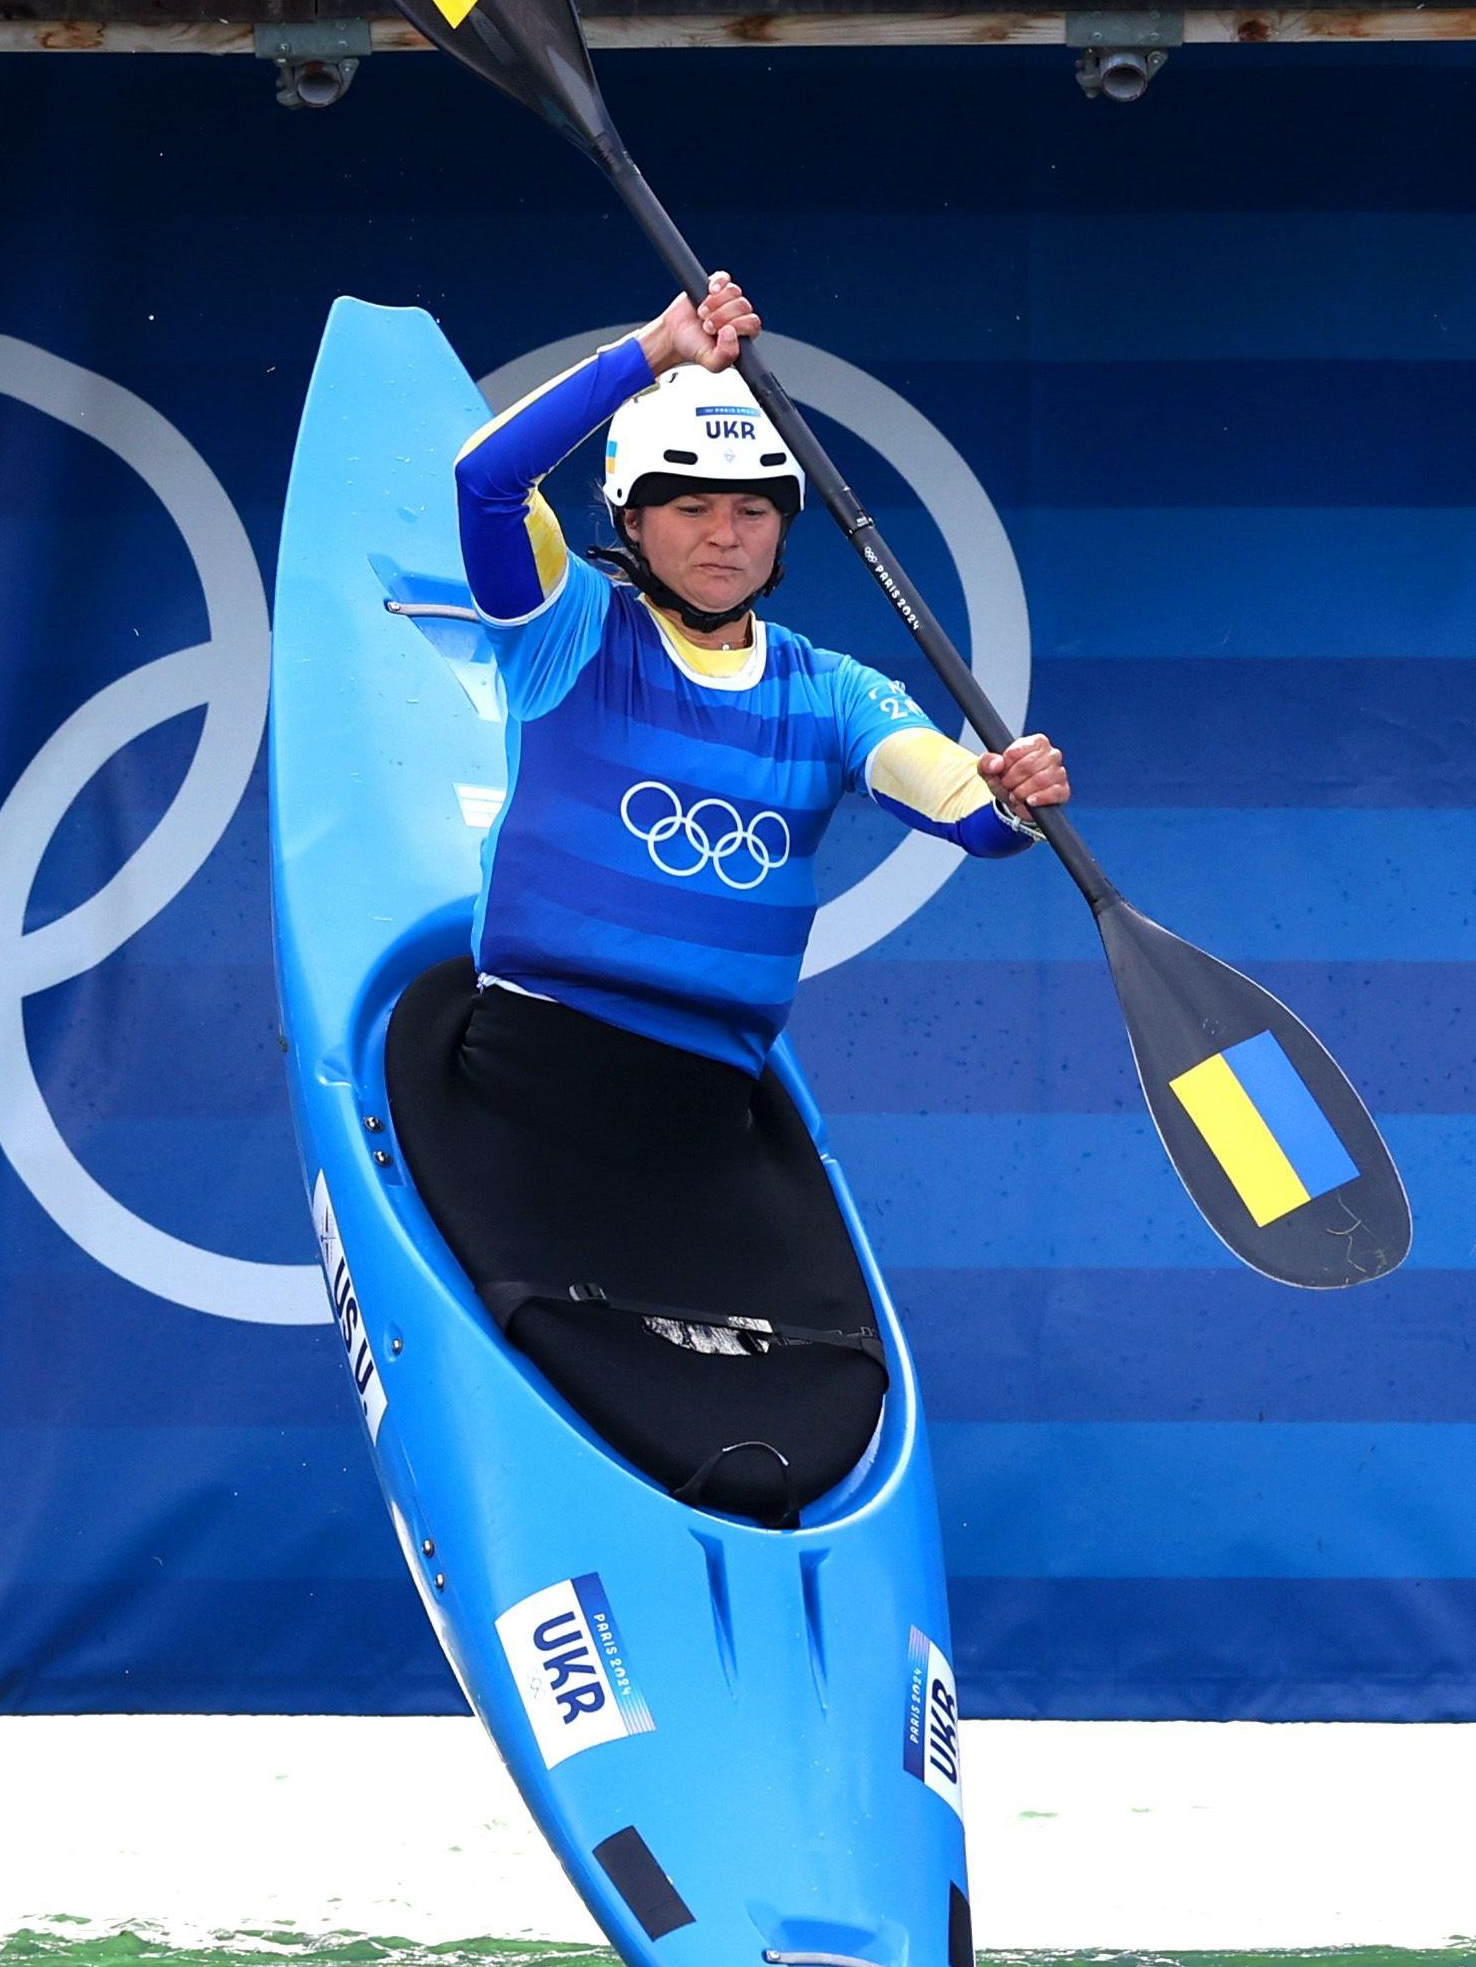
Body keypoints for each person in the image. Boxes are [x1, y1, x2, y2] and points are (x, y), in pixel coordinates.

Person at [393, 273, 1068, 1521]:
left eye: (751, 509)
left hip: (705, 1117)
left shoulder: (832, 689)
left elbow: (956, 800)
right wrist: (648, 355)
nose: (721, 532)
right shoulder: (563, 628)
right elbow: (486, 482)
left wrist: (1004, 791)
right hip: (536, 1084)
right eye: (688, 505)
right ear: (632, 521)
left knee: (785, 1416)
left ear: (783, 528)